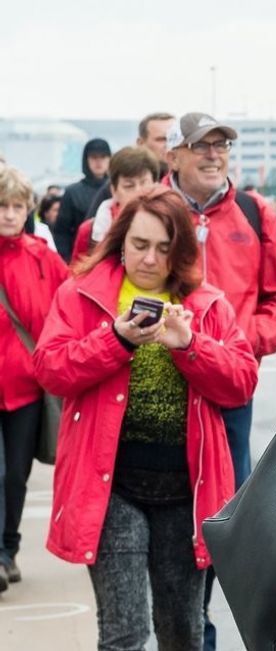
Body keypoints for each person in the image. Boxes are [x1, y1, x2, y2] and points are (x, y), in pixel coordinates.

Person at [33, 187, 258, 650]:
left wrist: (190, 346)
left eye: (163, 247)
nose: (150, 259)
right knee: (124, 633)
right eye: (139, 245)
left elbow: (241, 383)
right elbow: (51, 370)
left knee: (182, 631)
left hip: (185, 491)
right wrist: (115, 340)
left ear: (180, 251)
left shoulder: (207, 303)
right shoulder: (81, 294)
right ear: (120, 242)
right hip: (110, 487)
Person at [163, 111, 276, 651]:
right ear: (174, 155)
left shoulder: (254, 211)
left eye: (221, 145)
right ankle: (182, 625)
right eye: (201, 145)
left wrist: (240, 344)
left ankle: (197, 626)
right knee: (164, 512)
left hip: (227, 390)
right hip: (161, 382)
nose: (213, 154)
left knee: (223, 517)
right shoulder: (153, 210)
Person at [0, 167, 68, 591]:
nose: (9, 214)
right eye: (2, 206)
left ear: (28, 210)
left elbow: (71, 307)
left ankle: (8, 547)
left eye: (17, 206)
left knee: (15, 476)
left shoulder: (43, 258)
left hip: (27, 387)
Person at [70, 146, 160, 263]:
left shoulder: (170, 224)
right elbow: (77, 272)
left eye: (144, 183)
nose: (139, 192)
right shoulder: (90, 231)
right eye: (129, 186)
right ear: (114, 191)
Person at [85, 113, 176, 219]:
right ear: (141, 142)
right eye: (161, 139)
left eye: (173, 139)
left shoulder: (185, 183)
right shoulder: (119, 184)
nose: (169, 145)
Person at [53, 138, 112, 261]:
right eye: (94, 157)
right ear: (86, 160)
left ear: (109, 159)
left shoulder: (117, 190)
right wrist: (67, 261)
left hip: (111, 255)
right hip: (79, 257)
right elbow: (62, 233)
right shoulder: (72, 192)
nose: (98, 161)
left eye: (103, 157)